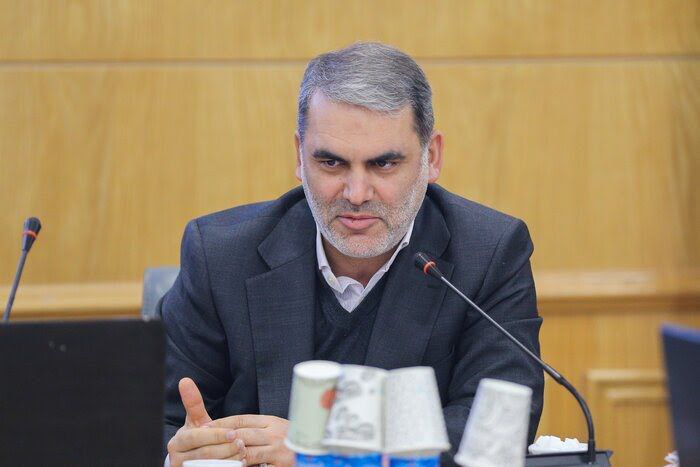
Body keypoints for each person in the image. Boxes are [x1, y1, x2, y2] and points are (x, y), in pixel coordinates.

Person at [160, 42, 544, 467]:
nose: (356, 194)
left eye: (383, 164)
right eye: (332, 163)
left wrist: (321, 447)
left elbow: (498, 427)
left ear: (431, 158)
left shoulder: (488, 252)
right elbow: (157, 422)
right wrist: (181, 451)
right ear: (300, 156)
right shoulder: (221, 256)